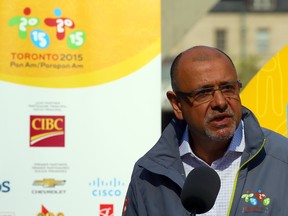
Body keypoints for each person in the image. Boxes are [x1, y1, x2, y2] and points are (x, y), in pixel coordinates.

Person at [122, 45, 288, 215]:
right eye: (204, 93)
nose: (220, 102)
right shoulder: (149, 175)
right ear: (177, 105)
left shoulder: (282, 159)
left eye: (228, 88)